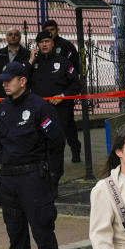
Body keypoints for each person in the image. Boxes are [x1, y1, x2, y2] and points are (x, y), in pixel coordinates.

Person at [0, 60, 66, 249]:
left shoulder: (40, 107)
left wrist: (53, 176)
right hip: (9, 178)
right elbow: (1, 143)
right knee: (15, 232)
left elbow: (56, 142)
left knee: (42, 229)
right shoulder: (2, 108)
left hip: (33, 178)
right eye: (3, 80)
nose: (4, 84)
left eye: (8, 80)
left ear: (22, 81)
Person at [30, 30, 82, 175]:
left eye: (47, 41)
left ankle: (55, 178)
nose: (44, 44)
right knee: (40, 145)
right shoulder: (33, 63)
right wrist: (30, 61)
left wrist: (63, 95)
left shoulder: (63, 62)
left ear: (53, 43)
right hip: (38, 111)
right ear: (37, 45)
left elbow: (76, 84)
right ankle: (43, 177)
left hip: (58, 110)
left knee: (56, 145)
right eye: (41, 42)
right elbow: (21, 80)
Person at [40, 19, 83, 164]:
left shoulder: (66, 46)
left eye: (52, 30)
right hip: (45, 101)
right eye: (47, 31)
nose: (50, 33)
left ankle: (75, 150)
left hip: (63, 97)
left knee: (67, 126)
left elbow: (75, 71)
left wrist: (65, 94)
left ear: (57, 30)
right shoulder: (39, 54)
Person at [0, 28, 30, 99]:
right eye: (10, 34)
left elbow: (29, 74)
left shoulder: (27, 54)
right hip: (1, 95)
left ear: (20, 37)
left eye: (16, 34)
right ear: (7, 37)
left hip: (21, 95)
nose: (13, 36)